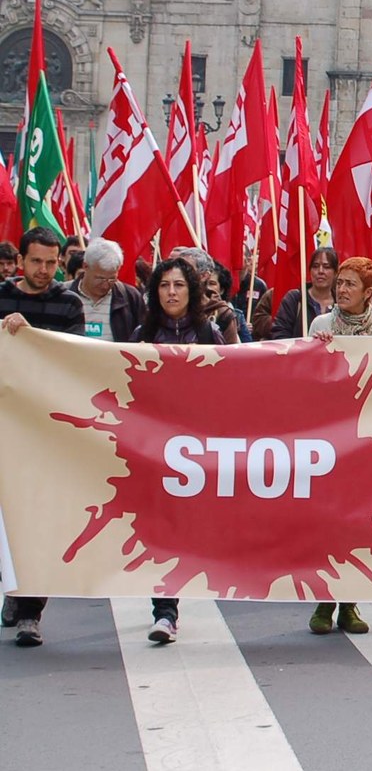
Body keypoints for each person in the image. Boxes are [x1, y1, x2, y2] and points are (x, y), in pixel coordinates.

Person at [134, 257, 227, 645]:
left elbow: (235, 381)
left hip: (196, 451)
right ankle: (166, 611)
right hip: (152, 451)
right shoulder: (142, 333)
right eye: (164, 286)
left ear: (191, 292)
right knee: (162, 531)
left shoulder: (210, 334)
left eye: (179, 286)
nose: (171, 292)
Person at [0, 227, 84, 648]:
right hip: (5, 426)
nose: (44, 270)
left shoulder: (68, 303)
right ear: (21, 261)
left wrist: (31, 334)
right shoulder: (1, 296)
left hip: (47, 430)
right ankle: (14, 590)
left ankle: (31, 612)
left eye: (52, 263)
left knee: (40, 520)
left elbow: (71, 356)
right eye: (36, 262)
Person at [303, 257, 372, 637]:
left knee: (358, 519)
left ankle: (350, 603)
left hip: (366, 435)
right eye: (339, 282)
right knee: (327, 518)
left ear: (369, 292)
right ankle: (324, 599)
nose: (341, 289)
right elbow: (304, 375)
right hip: (328, 435)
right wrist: (317, 348)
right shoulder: (321, 324)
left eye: (350, 284)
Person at [69, 238, 145, 342]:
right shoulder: (64, 295)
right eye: (100, 278)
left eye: (111, 279)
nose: (105, 285)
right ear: (85, 266)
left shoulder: (130, 297)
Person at [270, 246, 337, 339]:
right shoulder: (295, 299)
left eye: (326, 267)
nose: (320, 271)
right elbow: (279, 334)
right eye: (315, 266)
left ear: (335, 272)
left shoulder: (341, 303)